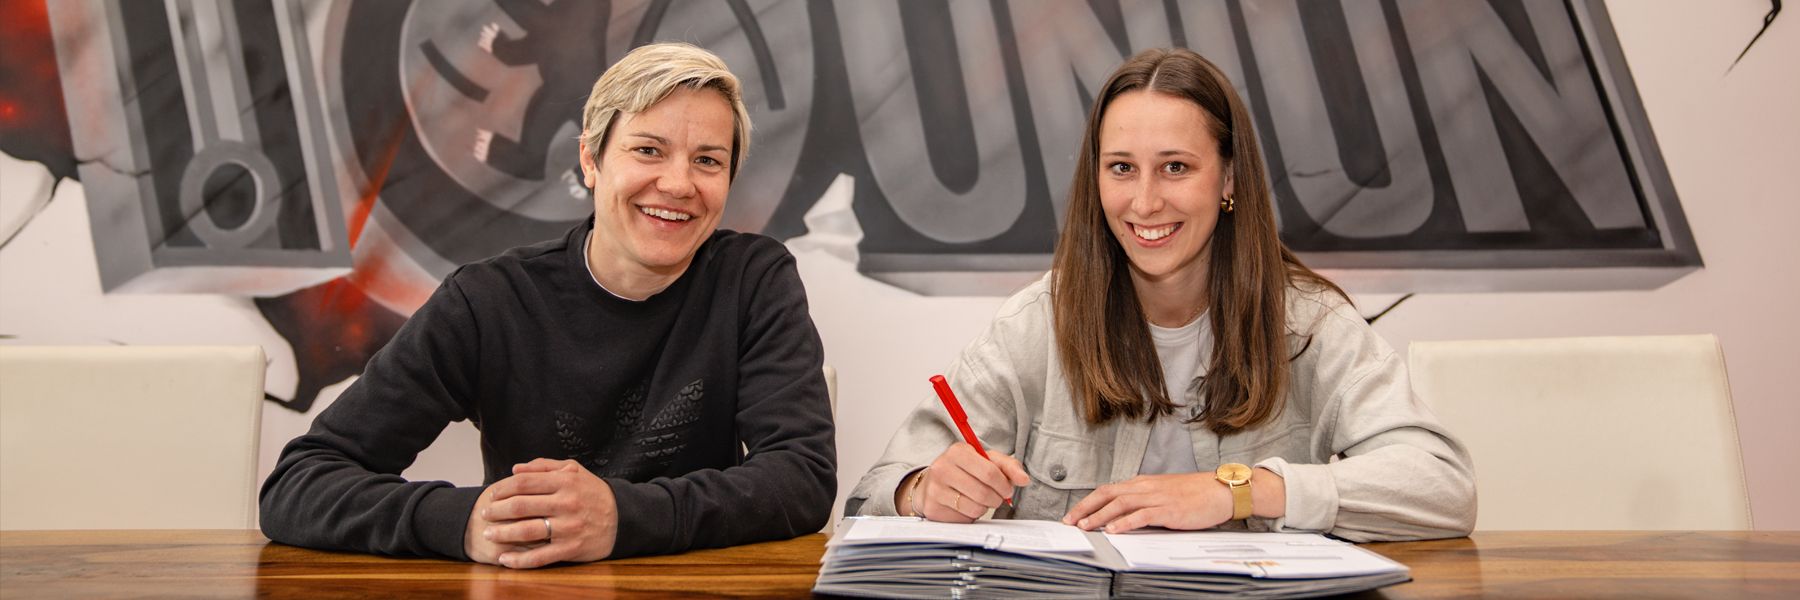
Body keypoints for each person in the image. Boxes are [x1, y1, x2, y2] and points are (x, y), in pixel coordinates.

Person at [846, 48, 1475, 541]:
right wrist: (923, 490)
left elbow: (1443, 486)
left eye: (1176, 167)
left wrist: (1239, 491)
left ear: (1229, 177)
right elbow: (872, 493)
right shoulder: (1036, 324)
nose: (1144, 203)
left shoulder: (1309, 322)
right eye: (1121, 168)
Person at [260, 43, 836, 568]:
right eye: (648, 150)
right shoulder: (490, 301)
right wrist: (463, 523)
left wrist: (621, 517)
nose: (679, 184)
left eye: (707, 161)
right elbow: (299, 485)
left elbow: (801, 477)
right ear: (591, 160)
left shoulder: (753, 279)